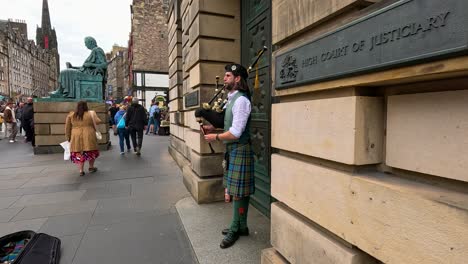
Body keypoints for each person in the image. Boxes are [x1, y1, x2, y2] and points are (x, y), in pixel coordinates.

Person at [204, 63, 255, 249]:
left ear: (237, 78)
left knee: (238, 191)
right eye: (224, 76)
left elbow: (235, 133)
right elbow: (230, 127)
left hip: (240, 148)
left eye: (227, 76)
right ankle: (242, 225)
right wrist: (214, 128)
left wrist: (214, 136)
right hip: (234, 150)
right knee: (238, 190)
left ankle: (236, 227)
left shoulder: (241, 101)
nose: (224, 78)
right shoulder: (233, 98)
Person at [65, 101, 102, 176]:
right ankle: (91, 167)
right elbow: (98, 121)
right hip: (89, 134)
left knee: (79, 152)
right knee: (91, 151)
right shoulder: (90, 113)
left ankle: (81, 170)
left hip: (75, 135)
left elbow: (67, 127)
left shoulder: (71, 115)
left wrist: (68, 137)